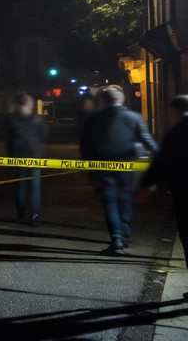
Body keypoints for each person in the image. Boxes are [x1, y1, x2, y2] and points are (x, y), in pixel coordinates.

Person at [80, 85, 158, 254]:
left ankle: (117, 240)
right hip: (128, 169)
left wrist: (87, 165)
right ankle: (125, 234)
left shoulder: (94, 118)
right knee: (125, 201)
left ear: (103, 101)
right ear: (121, 100)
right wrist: (164, 157)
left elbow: (85, 144)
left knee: (110, 204)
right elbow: (147, 141)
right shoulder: (135, 117)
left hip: (102, 170)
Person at [140, 94, 188, 275]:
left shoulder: (176, 133)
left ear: (176, 110)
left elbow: (162, 163)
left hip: (184, 193)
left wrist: (146, 185)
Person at [5, 93, 49, 226]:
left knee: (20, 185)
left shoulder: (11, 118)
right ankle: (34, 214)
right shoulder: (38, 119)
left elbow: (7, 137)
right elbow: (44, 136)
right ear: (31, 105)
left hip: (18, 156)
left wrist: (10, 154)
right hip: (35, 156)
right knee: (35, 187)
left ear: (19, 104)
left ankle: (21, 213)